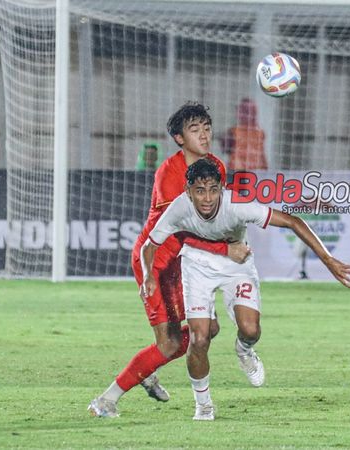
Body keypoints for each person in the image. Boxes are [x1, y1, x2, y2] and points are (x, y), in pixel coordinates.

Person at [141, 159, 350, 420]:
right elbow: (149, 245)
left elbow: (292, 221)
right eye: (200, 190)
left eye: (212, 189)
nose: (207, 198)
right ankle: (204, 405)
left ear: (221, 188)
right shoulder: (179, 208)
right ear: (188, 191)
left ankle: (244, 350)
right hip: (197, 264)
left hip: (237, 262)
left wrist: (328, 260)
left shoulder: (238, 204)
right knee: (200, 338)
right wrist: (147, 276)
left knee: (250, 329)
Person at [89, 102, 251, 418]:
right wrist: (223, 250)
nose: (204, 135)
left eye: (207, 128)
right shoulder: (168, 174)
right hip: (157, 264)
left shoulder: (216, 166)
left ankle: (148, 366)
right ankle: (106, 400)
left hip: (186, 262)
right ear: (179, 138)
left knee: (209, 329)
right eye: (195, 130)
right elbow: (177, 230)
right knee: (169, 344)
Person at [222, 98, 267, 171]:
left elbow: (262, 155)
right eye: (241, 111)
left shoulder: (260, 133)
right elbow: (226, 150)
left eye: (247, 111)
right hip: (236, 171)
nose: (243, 115)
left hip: (256, 172)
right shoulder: (233, 131)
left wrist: (265, 170)